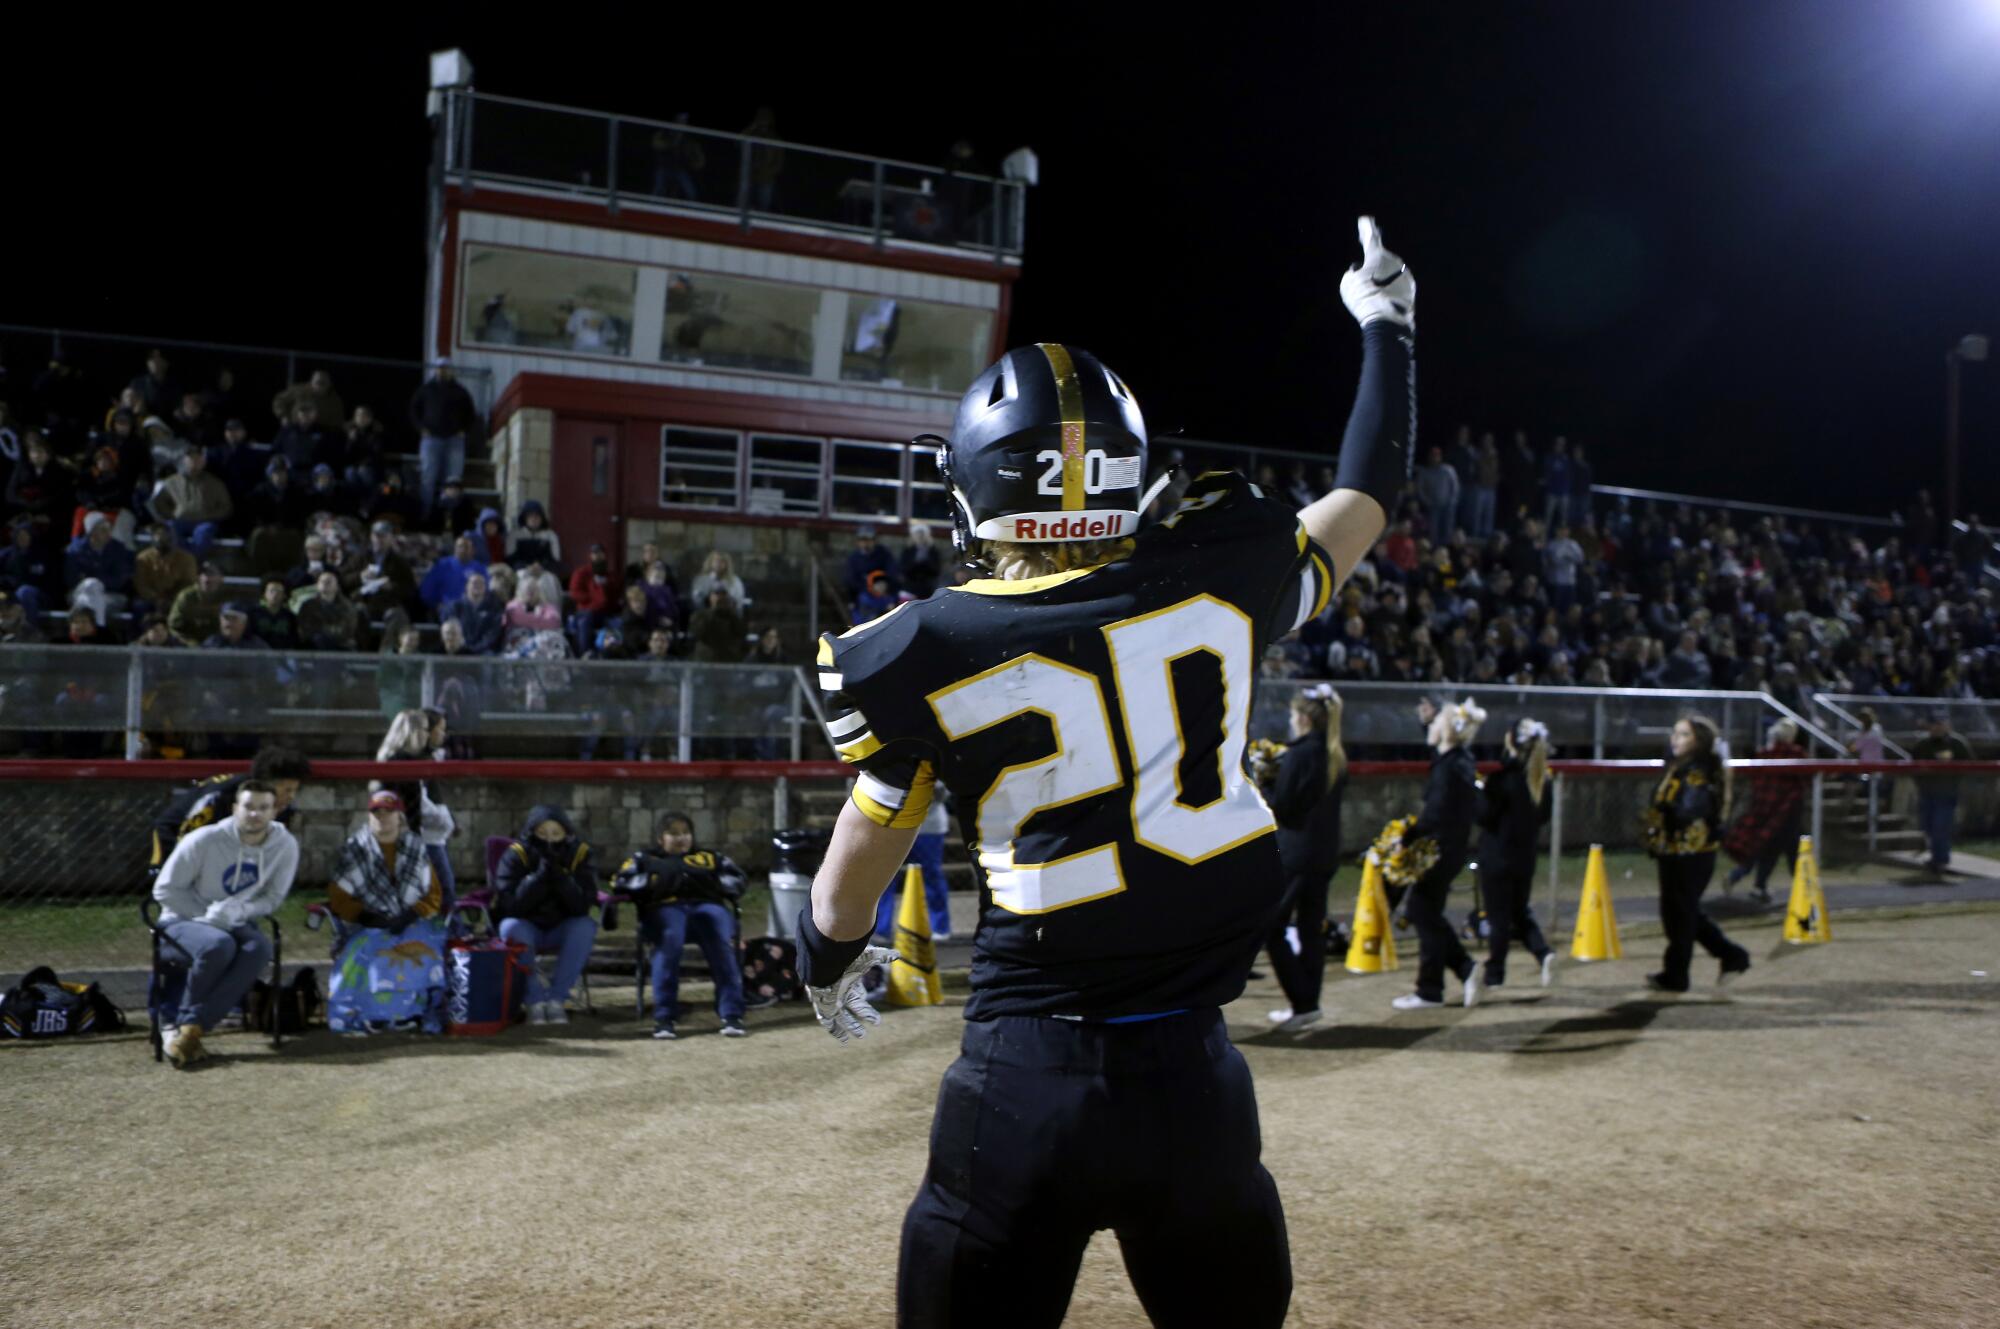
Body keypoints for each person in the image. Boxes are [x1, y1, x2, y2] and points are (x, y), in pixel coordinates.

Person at [797, 216, 1415, 1326]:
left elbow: (853, 877)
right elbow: (1366, 494)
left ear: (974, 487)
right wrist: (1386, 329)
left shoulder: (924, 646)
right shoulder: (1223, 574)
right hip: (1196, 1082)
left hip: (1021, 1082)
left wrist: (823, 962)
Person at [150, 781, 301, 1067]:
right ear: (235, 808)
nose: (254, 814)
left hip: (233, 920)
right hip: (180, 920)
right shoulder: (204, 839)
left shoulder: (285, 846)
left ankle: (192, 1028)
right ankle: (186, 1025)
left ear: (274, 811)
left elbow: (273, 897)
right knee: (218, 944)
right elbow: (164, 891)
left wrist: (242, 909)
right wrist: (207, 916)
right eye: (248, 806)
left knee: (259, 948)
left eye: (263, 808)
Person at [1256, 684, 1348, 1032]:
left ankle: (1302, 1000)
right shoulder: (1334, 752)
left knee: (1272, 927)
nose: (1291, 720)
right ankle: (1308, 1003)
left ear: (1305, 719)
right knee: (1311, 929)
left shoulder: (1300, 754)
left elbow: (1283, 808)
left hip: (1297, 855)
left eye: (1294, 715)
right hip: (1325, 854)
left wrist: (1262, 785)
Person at [323, 790, 449, 1035]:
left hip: (412, 919)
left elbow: (433, 895)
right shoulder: (355, 849)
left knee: (420, 951)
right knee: (372, 952)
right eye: (376, 812)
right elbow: (338, 896)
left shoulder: (416, 847)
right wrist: (365, 916)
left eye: (389, 812)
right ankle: (372, 1016)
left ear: (400, 817)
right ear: (369, 816)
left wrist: (410, 915)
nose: (383, 817)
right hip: (367, 921)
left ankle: (412, 1014)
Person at [616, 812, 749, 1040]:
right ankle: (665, 1016)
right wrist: (657, 881)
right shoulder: (645, 859)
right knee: (670, 938)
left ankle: (731, 1014)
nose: (681, 838)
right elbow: (622, 881)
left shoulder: (709, 857)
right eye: (673, 833)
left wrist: (711, 883)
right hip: (666, 907)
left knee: (718, 936)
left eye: (685, 833)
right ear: (660, 838)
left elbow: (738, 880)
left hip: (706, 906)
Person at [1391, 698, 1488, 1011]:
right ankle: (1451, 976)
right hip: (1449, 851)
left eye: (1434, 724)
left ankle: (1436, 986)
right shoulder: (1457, 760)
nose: (1429, 728)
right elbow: (1438, 749)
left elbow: (1434, 817)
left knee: (1422, 911)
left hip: (1440, 852)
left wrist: (1405, 837)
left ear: (1447, 732)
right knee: (1426, 912)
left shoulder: (1452, 768)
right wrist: (1428, 720)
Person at [1643, 715, 1751, 994]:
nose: (1675, 739)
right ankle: (1731, 956)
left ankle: (1677, 975)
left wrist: (1668, 815)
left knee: (1681, 914)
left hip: (1692, 853)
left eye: (1683, 735)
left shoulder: (1698, 773)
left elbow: (1689, 810)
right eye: (1675, 733)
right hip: (1674, 850)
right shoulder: (1679, 767)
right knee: (1682, 913)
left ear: (1698, 742)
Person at [493, 805, 600, 1024]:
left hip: (563, 926)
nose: (549, 840)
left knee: (585, 926)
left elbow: (582, 905)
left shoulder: (580, 854)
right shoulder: (516, 854)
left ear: (566, 834)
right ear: (531, 832)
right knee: (510, 927)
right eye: (542, 833)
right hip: (527, 925)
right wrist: (538, 878)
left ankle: (557, 999)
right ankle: (534, 1000)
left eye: (556, 834)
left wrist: (561, 878)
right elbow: (510, 905)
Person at [1476, 717, 1556, 990]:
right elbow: (1542, 817)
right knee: (1519, 912)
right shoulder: (1542, 780)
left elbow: (1484, 817)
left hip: (1497, 858)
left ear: (1510, 741)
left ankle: (1495, 973)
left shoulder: (1501, 779)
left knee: (1498, 917)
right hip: (1525, 859)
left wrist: (1480, 793)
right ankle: (1543, 952)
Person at [1722, 719, 1809, 902]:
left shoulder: (1766, 754)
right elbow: (1803, 782)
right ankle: (1801, 891)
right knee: (1789, 851)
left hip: (1765, 811)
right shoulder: (1796, 754)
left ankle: (1750, 882)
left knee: (1765, 849)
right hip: (1786, 813)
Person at [377, 707, 457, 902]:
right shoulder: (399, 763)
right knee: (441, 891)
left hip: (418, 836)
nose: (426, 734)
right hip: (412, 838)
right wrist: (443, 821)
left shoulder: (413, 761)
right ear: (409, 731)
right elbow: (414, 803)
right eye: (422, 729)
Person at [872, 780, 955, 944]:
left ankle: (939, 927)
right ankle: (881, 930)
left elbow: (942, 792)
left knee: (931, 875)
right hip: (889, 825)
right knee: (884, 879)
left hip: (927, 825)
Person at [409, 359, 479, 520]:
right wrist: (421, 429)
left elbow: (471, 414)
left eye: (446, 368)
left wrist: (464, 430)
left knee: (453, 479)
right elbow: (413, 410)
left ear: (451, 371)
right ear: (435, 370)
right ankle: (426, 515)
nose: (443, 371)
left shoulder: (460, 391)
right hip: (431, 440)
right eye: (440, 368)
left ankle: (451, 516)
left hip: (454, 440)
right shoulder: (426, 390)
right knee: (428, 477)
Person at [1910, 714, 1974, 873]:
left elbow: (1970, 764)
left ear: (1947, 725)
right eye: (1934, 724)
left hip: (1947, 792)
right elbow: (1912, 764)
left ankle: (1941, 860)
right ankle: (1935, 857)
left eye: (1941, 724)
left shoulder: (1956, 743)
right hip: (1927, 792)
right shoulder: (1923, 744)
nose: (1937, 727)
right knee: (1928, 826)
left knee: (1941, 826)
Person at [443, 569, 504, 655]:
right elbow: (449, 628)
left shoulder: (494, 609)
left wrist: (473, 650)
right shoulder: (454, 607)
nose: (477, 586)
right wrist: (463, 648)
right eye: (474, 583)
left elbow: (491, 635)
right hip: (458, 649)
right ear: (467, 586)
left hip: (483, 652)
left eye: (481, 583)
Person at [899, 522, 943, 599]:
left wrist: (925, 565)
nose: (919, 537)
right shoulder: (908, 551)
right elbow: (903, 568)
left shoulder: (932, 551)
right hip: (911, 585)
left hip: (927, 586)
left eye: (921, 534)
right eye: (917, 534)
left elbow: (936, 569)